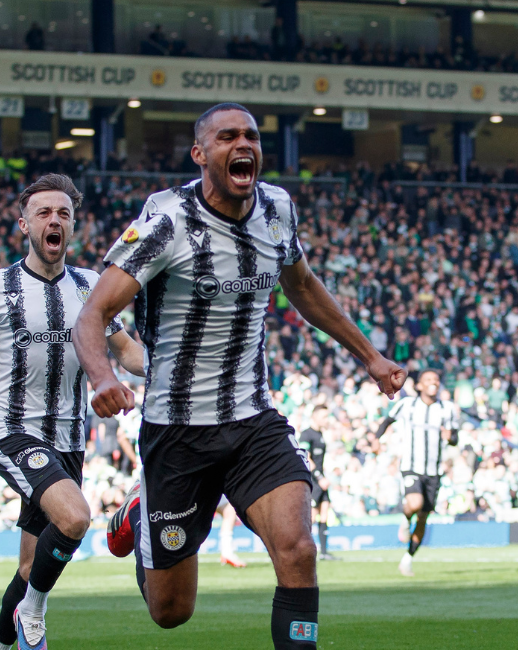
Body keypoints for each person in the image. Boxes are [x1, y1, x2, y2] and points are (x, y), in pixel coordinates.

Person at [75, 103, 404, 650]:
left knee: (298, 549)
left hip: (253, 421)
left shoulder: (276, 208)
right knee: (171, 613)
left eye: (250, 135)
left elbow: (301, 285)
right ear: (201, 154)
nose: (243, 143)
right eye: (226, 136)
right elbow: (93, 311)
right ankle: (142, 511)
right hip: (176, 432)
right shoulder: (167, 221)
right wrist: (102, 377)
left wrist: (368, 355)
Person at [0, 173, 145, 650]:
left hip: (69, 437)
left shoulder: (92, 286)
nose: (55, 220)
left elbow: (127, 352)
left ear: (73, 225)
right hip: (11, 427)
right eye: (44, 213)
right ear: (24, 223)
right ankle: (35, 611)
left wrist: (172, 367)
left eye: (64, 213)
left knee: (30, 567)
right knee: (74, 519)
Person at [376, 369, 459, 577]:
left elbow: (454, 438)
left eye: (436, 379)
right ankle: (405, 521)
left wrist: (450, 438)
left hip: (434, 470)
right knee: (415, 504)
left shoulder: (447, 409)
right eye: (429, 379)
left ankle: (407, 559)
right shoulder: (407, 405)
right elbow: (387, 420)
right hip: (411, 465)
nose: (434, 382)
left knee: (423, 518)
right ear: (419, 385)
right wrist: (375, 440)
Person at [299, 405, 336, 561]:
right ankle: (303, 550)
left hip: (321, 480)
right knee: (311, 517)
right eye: (323, 416)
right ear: (314, 417)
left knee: (325, 513)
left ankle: (324, 552)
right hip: (313, 480)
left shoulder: (320, 434)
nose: (326, 419)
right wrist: (320, 477)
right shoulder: (307, 434)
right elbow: (306, 457)